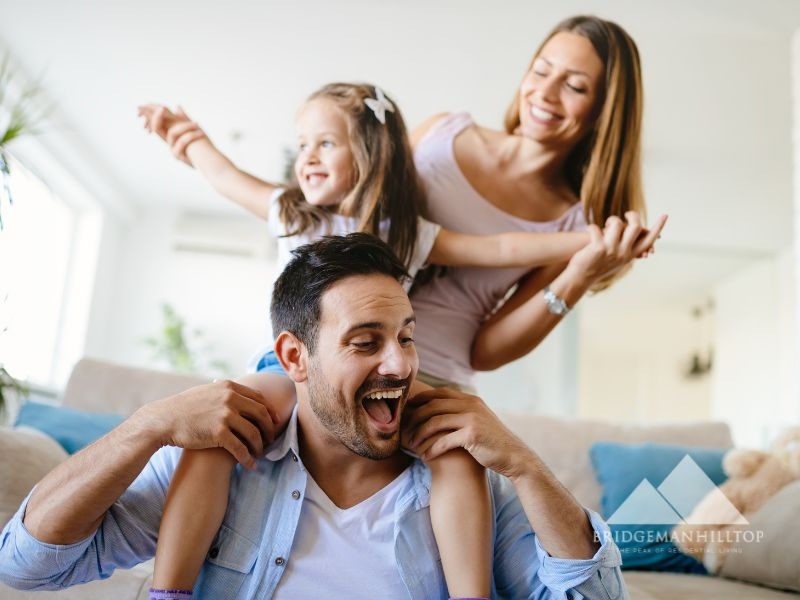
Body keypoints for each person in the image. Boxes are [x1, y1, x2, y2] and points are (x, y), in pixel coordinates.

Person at [138, 82, 645, 599]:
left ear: (368, 153)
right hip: (284, 369)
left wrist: (595, 241)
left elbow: (502, 248)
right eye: (303, 144)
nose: (307, 157)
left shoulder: (408, 232)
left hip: (375, 376)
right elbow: (225, 176)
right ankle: (169, 592)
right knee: (217, 432)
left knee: (456, 452)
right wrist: (189, 139)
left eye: (325, 143)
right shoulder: (292, 211)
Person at [0, 233, 628, 599]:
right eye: (366, 342)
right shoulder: (227, 457)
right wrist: (147, 426)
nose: (400, 364)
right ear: (295, 357)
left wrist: (526, 466)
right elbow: (26, 565)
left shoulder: (468, 476)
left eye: (406, 337)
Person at [408, 14, 666, 387]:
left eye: (574, 87)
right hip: (341, 347)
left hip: (430, 377)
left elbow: (485, 353)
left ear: (603, 112)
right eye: (541, 71)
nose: (545, 93)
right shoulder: (439, 132)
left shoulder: (573, 224)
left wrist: (579, 276)